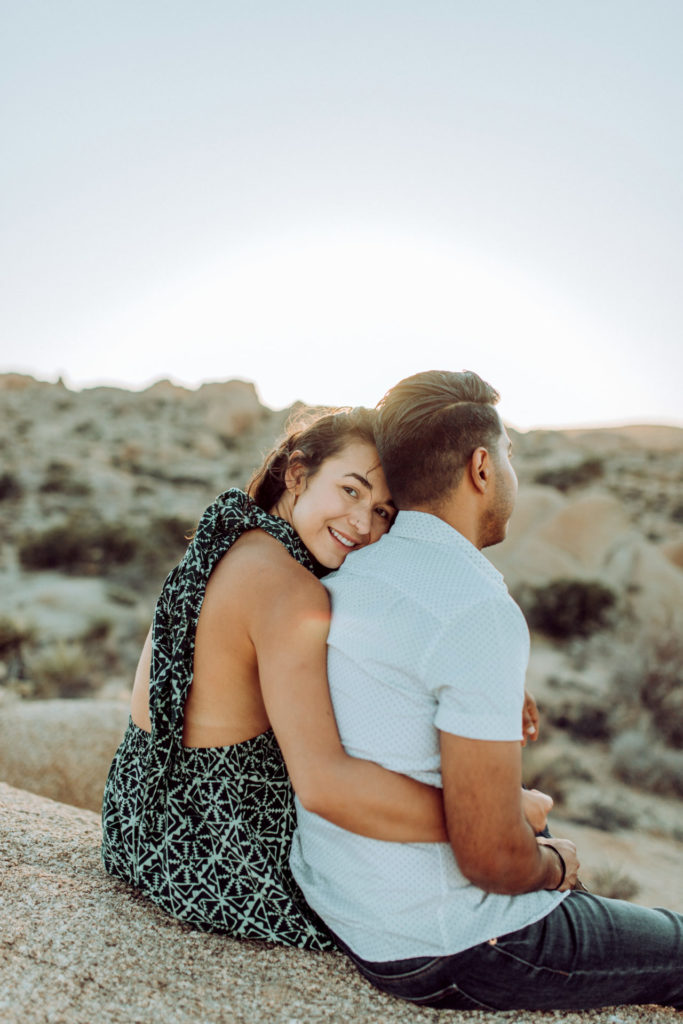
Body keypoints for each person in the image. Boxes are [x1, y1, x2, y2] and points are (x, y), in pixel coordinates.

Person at [290, 370, 683, 1012]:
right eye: (510, 456)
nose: (512, 473)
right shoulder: (473, 609)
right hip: (449, 943)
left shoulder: (355, 569)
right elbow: (492, 856)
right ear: (481, 467)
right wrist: (558, 864)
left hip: (350, 906)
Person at [101, 406, 451, 950]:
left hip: (139, 819)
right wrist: (487, 820)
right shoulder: (289, 589)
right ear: (297, 474)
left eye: (384, 511)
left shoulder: (232, 531)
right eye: (351, 491)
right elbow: (325, 786)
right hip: (224, 853)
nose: (364, 524)